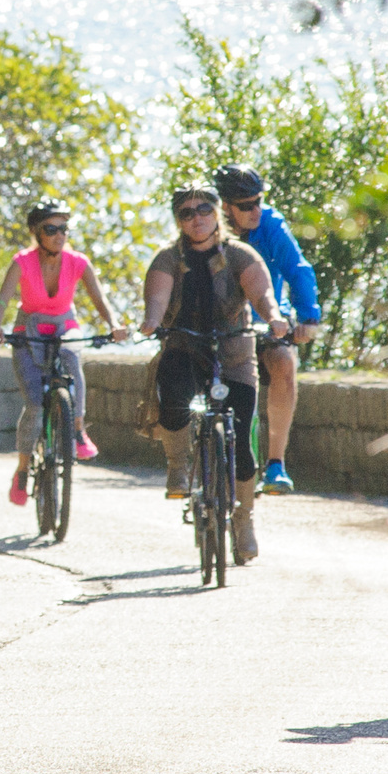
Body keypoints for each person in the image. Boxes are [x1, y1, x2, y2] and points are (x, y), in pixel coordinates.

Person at [143, 182, 287, 562]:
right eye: (186, 213)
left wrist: (273, 318)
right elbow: (156, 299)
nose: (197, 219)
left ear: (217, 213)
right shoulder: (168, 258)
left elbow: (262, 295)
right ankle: (178, 465)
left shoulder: (240, 254)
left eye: (203, 210)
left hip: (234, 352)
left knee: (241, 440)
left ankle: (245, 520)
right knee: (173, 400)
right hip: (184, 347)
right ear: (178, 220)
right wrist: (151, 322)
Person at [0, 198, 128, 509]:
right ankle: (23, 470)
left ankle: (77, 431)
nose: (59, 235)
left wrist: (115, 324)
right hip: (29, 328)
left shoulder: (78, 262)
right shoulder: (22, 262)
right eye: (51, 229)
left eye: (63, 229)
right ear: (36, 232)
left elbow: (99, 298)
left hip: (65, 323)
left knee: (72, 356)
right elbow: (3, 300)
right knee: (35, 405)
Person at [214, 163, 324, 495]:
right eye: (246, 205)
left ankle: (275, 465)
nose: (256, 210)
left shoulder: (271, 225)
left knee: (284, 363)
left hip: (268, 321)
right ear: (225, 207)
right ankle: (206, 448)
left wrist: (308, 319)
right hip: (223, 326)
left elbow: (298, 268)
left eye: (259, 201)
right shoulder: (208, 230)